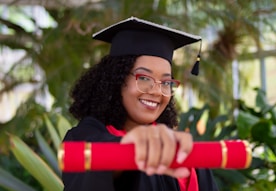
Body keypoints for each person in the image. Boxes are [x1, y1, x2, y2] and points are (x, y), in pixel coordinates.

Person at [62, 16, 218, 191]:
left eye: (166, 82)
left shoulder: (184, 153)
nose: (157, 91)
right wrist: (131, 148)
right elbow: (96, 164)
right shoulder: (83, 137)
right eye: (144, 78)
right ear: (117, 79)